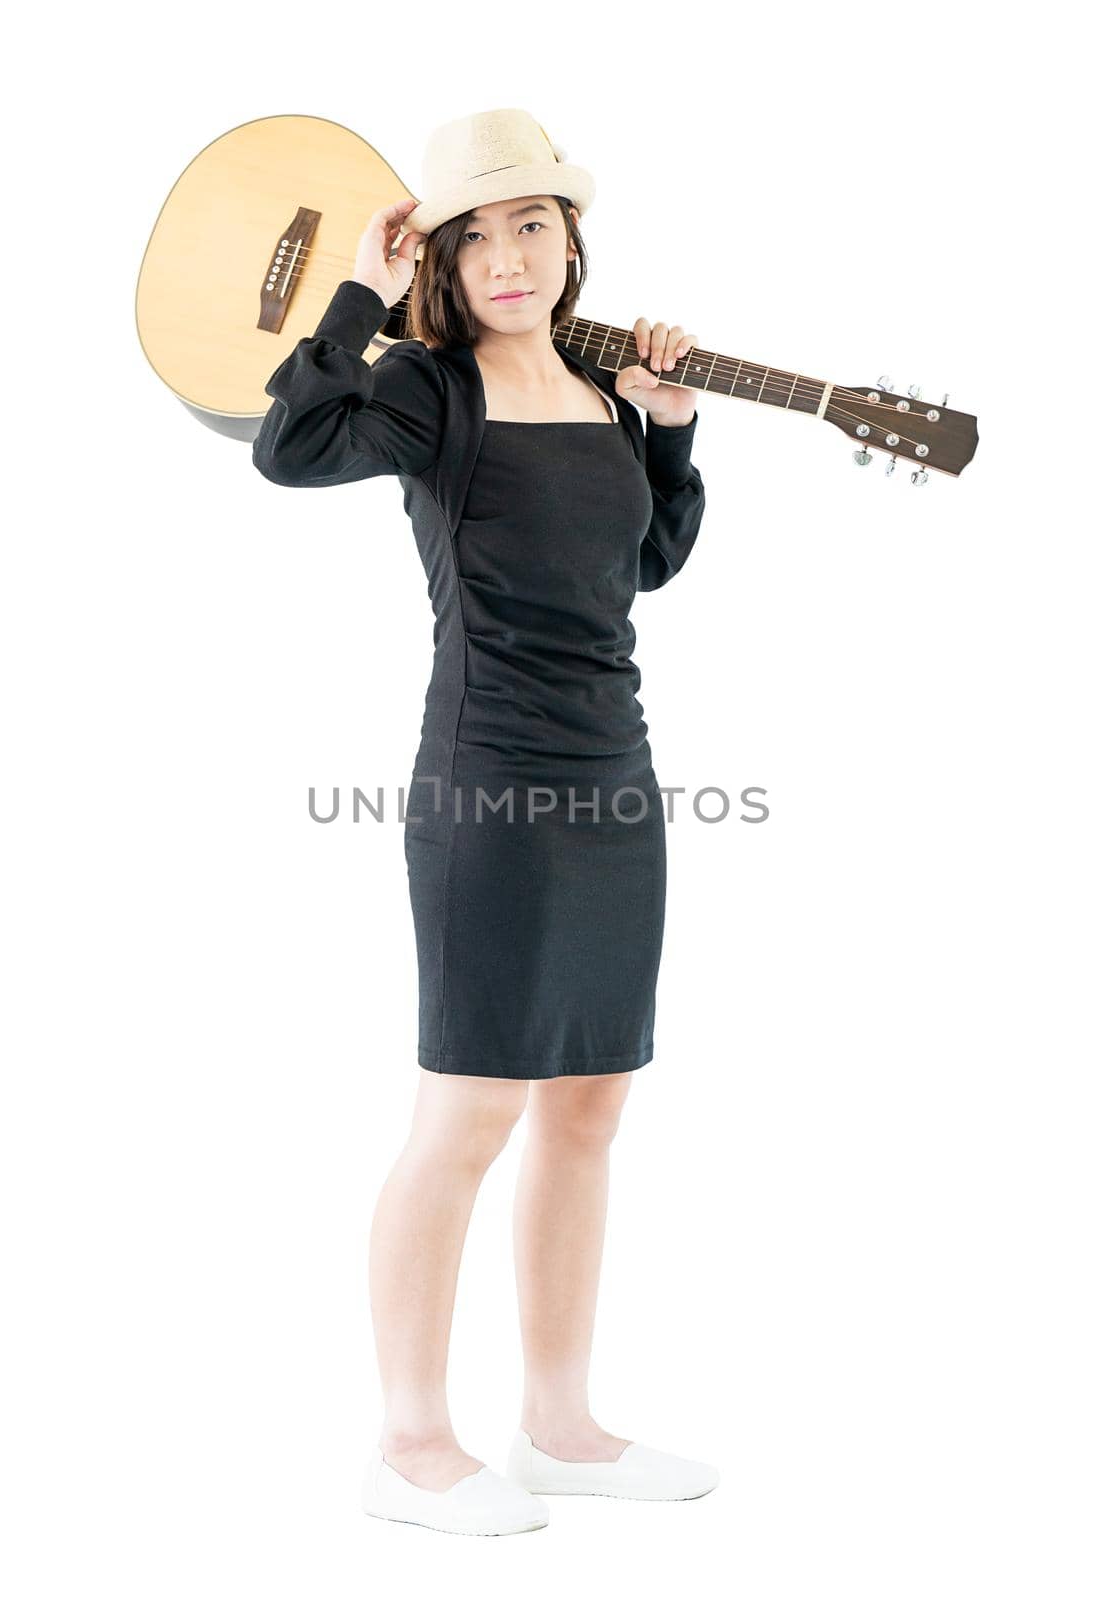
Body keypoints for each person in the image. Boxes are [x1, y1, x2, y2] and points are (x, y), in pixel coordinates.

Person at [253, 108, 718, 1536]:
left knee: (587, 1109)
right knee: (467, 1115)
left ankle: (562, 1429)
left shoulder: (598, 392)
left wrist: (674, 435)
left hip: (616, 784)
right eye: (475, 235)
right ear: (438, 264)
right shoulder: (424, 391)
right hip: (488, 791)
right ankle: (408, 1444)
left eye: (533, 225)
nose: (510, 256)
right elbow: (290, 445)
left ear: (571, 245)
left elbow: (639, 566)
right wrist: (355, 291)